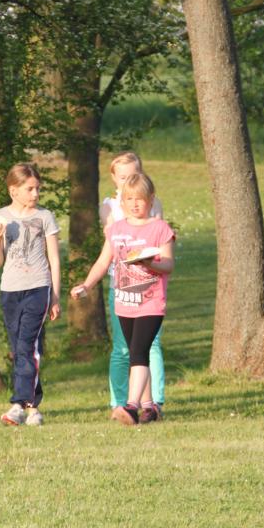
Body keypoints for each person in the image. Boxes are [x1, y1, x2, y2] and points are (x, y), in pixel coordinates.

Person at [73, 172, 175, 425]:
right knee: (136, 353)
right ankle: (150, 408)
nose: (135, 204)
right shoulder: (116, 230)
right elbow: (103, 262)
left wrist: (150, 263)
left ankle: (131, 407)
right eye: (129, 199)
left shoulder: (160, 228)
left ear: (151, 199)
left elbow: (169, 264)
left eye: (140, 198)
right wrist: (87, 285)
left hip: (151, 302)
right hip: (124, 302)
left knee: (139, 351)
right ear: (122, 201)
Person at [0, 163, 61, 427]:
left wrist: (55, 296)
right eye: (30, 189)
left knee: (27, 346)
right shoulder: (0, 217)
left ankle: (18, 405)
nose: (35, 194)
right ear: (13, 191)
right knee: (23, 349)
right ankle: (33, 409)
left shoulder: (45, 216)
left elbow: (54, 258)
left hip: (39, 288)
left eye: (37, 188)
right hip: (10, 291)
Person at [99, 152, 166, 414]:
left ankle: (154, 402)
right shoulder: (109, 207)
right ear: (114, 179)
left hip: (149, 285)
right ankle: (119, 402)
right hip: (122, 285)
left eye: (134, 174)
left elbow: (158, 237)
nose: (129, 180)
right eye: (123, 177)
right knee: (122, 348)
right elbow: (114, 241)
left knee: (151, 345)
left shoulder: (153, 202)